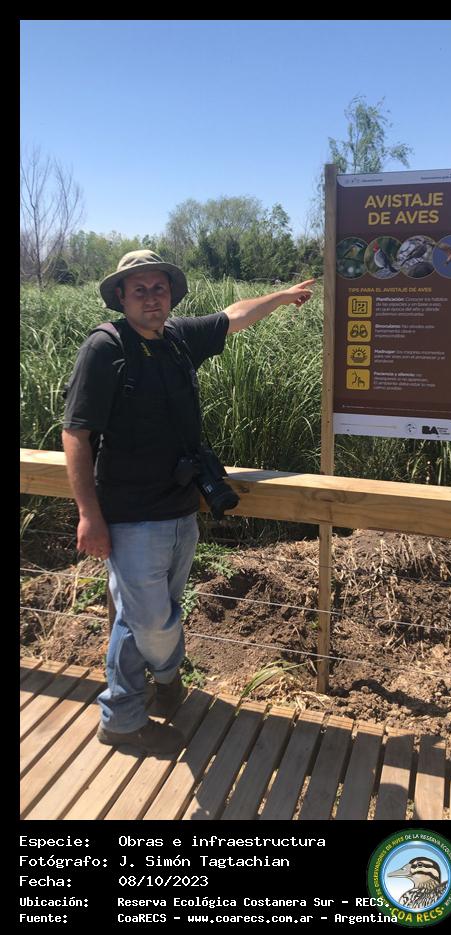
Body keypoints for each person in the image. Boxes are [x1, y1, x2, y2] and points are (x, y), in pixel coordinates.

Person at [62, 250, 315, 756]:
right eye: (139, 290)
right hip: (130, 514)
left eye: (159, 288)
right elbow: (76, 433)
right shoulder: (105, 347)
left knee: (149, 613)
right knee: (147, 621)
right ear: (121, 297)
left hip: (181, 507)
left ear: (171, 295)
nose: (151, 297)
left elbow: (234, 315)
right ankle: (130, 711)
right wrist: (89, 514)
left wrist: (283, 296)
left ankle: (157, 689)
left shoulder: (176, 338)